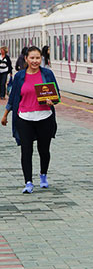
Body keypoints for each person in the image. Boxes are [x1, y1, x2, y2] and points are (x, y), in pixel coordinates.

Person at [1, 46, 60, 194]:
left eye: (38, 58)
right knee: (26, 150)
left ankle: (43, 175)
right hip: (24, 118)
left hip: (44, 117)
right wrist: (5, 114)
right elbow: (14, 97)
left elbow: (57, 95)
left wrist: (52, 101)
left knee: (44, 150)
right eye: (32, 58)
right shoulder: (20, 76)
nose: (35, 61)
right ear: (26, 59)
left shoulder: (47, 74)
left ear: (41, 59)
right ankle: (28, 182)